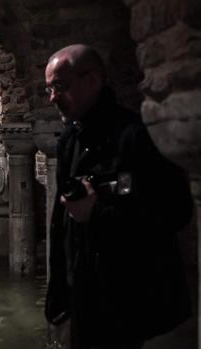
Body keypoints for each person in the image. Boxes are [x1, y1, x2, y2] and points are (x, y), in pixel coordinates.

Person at [44, 44, 193, 349]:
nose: (52, 98)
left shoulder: (136, 136)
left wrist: (95, 213)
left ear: (93, 80)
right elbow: (62, 223)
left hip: (126, 301)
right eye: (49, 89)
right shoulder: (70, 140)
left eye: (60, 86)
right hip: (82, 295)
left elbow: (175, 212)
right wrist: (58, 295)